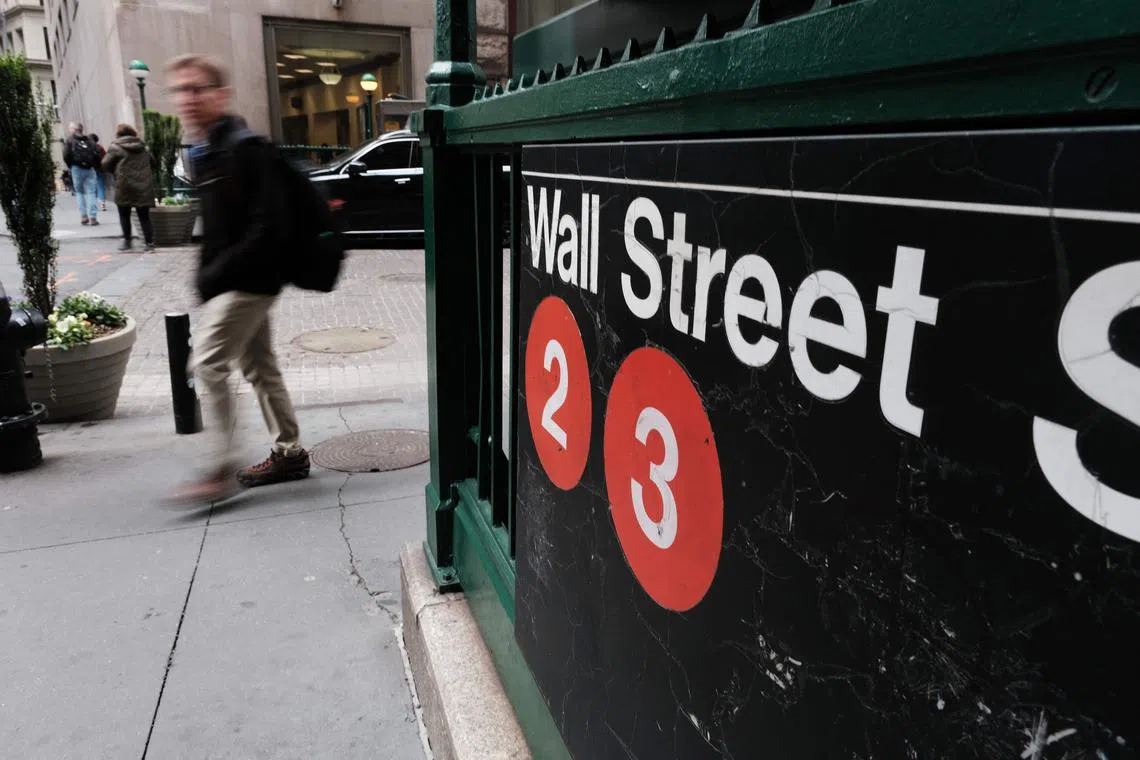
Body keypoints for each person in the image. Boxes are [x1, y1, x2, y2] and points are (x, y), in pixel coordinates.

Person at [165, 53, 310, 503]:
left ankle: (220, 468)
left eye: (196, 89)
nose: (187, 100)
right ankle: (290, 452)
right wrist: (207, 273)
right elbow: (218, 226)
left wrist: (217, 273)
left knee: (206, 364)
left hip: (251, 281)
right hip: (238, 279)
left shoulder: (243, 148)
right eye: (180, 91)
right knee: (260, 367)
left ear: (220, 93)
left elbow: (267, 226)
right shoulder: (209, 149)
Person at [101, 124, 156, 252]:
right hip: (143, 185)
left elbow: (105, 164)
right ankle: (150, 243)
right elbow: (153, 162)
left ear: (119, 135)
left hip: (124, 185)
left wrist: (115, 171)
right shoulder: (144, 147)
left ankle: (127, 241)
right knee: (144, 216)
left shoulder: (115, 147)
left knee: (124, 214)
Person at [62, 123, 101, 225]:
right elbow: (97, 153)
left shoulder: (70, 140)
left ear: (75, 129)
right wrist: (93, 165)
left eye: (70, 128)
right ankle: (93, 217)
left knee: (79, 192)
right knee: (92, 192)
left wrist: (71, 165)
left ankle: (84, 216)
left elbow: (66, 155)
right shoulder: (90, 139)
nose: (69, 130)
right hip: (90, 168)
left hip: (76, 168)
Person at [91, 133, 108, 211]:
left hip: (91, 170)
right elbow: (105, 157)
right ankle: (103, 204)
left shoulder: (87, 148)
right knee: (101, 186)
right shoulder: (100, 147)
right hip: (100, 169)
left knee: (92, 187)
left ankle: (94, 204)